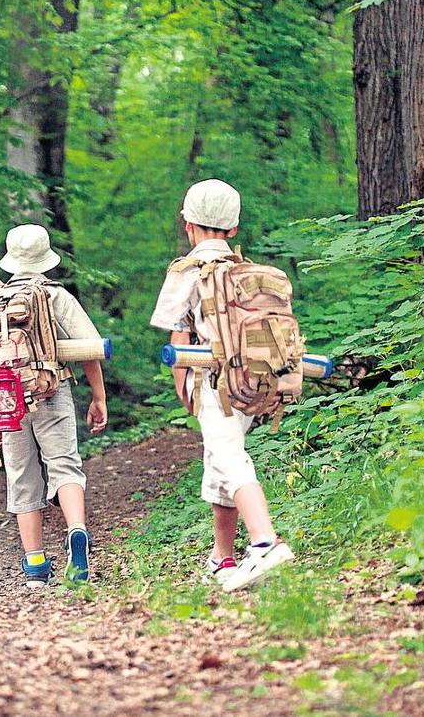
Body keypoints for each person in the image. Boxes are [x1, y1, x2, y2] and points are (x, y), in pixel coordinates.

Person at [149, 179, 295, 591]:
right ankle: (222, 559)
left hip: (214, 381)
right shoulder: (248, 273)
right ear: (233, 228)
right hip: (257, 379)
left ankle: (265, 542)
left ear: (188, 224)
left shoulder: (188, 270)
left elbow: (179, 332)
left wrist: (183, 386)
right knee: (219, 463)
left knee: (228, 457)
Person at [0, 224, 108, 587]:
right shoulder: (57, 297)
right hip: (51, 391)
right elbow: (89, 348)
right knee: (65, 466)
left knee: (21, 476)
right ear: (46, 258)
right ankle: (76, 531)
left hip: (9, 400)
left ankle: (36, 564)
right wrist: (98, 396)